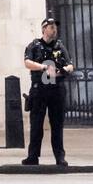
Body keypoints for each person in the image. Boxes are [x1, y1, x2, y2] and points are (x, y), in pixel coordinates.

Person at [23, 17, 74, 167]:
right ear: (44, 29)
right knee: (36, 125)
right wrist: (43, 67)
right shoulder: (34, 45)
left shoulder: (60, 46)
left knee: (57, 125)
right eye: (51, 27)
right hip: (40, 89)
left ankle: (60, 157)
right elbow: (27, 63)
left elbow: (70, 65)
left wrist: (64, 70)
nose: (54, 29)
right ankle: (32, 157)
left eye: (55, 27)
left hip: (56, 90)